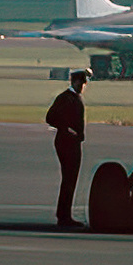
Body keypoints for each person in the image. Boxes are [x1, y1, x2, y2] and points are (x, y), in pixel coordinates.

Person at [45, 70, 88, 228]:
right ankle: (64, 216)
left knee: (70, 179)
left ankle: (64, 214)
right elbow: (50, 117)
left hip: (73, 142)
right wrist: (67, 129)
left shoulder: (73, 98)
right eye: (82, 83)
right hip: (66, 142)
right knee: (69, 179)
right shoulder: (65, 98)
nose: (83, 86)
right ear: (75, 82)